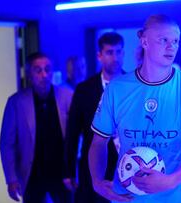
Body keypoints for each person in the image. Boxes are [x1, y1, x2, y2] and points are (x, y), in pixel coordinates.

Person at [89, 14, 181, 203]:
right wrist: (96, 181)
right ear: (144, 42)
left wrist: (169, 181)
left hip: (174, 197)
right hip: (127, 197)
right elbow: (98, 142)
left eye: (175, 41)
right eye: (163, 40)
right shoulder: (117, 88)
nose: (171, 47)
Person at [0, 52, 73, 203]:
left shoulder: (67, 96)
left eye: (48, 69)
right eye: (38, 70)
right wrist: (11, 179)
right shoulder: (16, 102)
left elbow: (79, 135)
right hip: (32, 172)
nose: (44, 75)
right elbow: (7, 144)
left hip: (62, 171)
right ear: (29, 74)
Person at [63, 32, 123, 203]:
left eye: (119, 52)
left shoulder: (137, 86)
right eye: (110, 52)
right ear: (100, 56)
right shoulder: (84, 90)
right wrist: (68, 170)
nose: (115, 57)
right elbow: (73, 133)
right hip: (94, 167)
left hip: (127, 164)